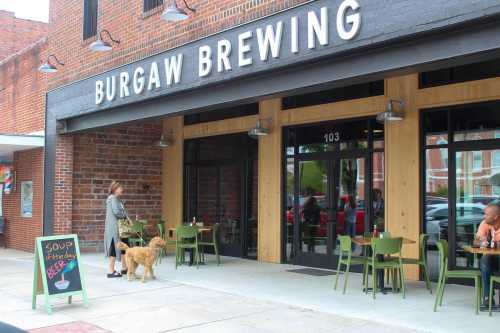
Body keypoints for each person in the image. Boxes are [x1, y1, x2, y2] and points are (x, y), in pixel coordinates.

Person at [476, 201, 500, 305]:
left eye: (486, 214)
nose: (484, 216)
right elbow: (475, 241)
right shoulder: (485, 223)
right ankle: (487, 297)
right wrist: (481, 241)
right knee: (485, 259)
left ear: (495, 217)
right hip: (493, 259)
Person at [104, 181, 129, 278]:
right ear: (115, 189)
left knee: (124, 246)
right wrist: (125, 216)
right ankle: (111, 271)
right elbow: (117, 212)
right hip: (114, 228)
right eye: (120, 188)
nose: (122, 190)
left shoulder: (117, 199)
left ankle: (124, 268)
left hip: (120, 228)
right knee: (113, 247)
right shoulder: (113, 199)